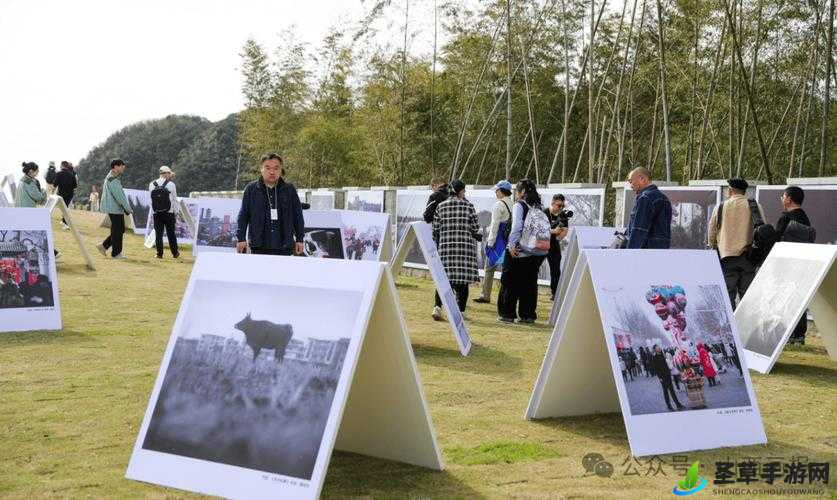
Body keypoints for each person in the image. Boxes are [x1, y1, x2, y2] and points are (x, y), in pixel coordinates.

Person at [497, 179, 548, 323]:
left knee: (509, 281)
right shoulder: (539, 206)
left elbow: (517, 226)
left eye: (517, 191)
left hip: (519, 250)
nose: (516, 194)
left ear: (522, 192)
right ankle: (528, 315)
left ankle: (507, 314)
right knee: (530, 284)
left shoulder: (520, 205)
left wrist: (511, 245)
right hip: (535, 251)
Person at [708, 178, 764, 307]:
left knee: (727, 296)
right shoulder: (755, 206)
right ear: (745, 191)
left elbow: (711, 231)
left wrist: (713, 246)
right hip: (749, 258)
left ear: (730, 190)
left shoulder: (721, 206)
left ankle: (732, 324)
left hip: (726, 258)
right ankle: (746, 324)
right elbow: (763, 230)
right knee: (747, 297)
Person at [430, 180, 481, 320]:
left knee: (444, 281)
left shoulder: (441, 206)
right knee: (462, 282)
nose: (464, 194)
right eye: (464, 191)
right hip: (464, 251)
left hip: (446, 250)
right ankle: (461, 312)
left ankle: (437, 308)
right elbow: (475, 228)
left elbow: (435, 230)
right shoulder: (469, 206)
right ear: (460, 191)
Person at [236, 153, 305, 256]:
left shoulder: (289, 190)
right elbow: (243, 215)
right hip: (258, 247)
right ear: (261, 169)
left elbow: (298, 216)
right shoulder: (251, 189)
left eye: (276, 168)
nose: (272, 172)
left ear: (281, 170)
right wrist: (241, 238)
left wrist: (300, 239)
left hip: (284, 247)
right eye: (267, 168)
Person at [776, 186, 814, 344]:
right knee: (798, 300)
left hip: (785, 266)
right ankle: (799, 335)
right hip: (801, 266)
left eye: (783, 196)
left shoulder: (786, 218)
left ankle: (787, 334)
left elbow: (776, 242)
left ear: (789, 199)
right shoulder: (805, 219)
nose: (782, 199)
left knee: (785, 300)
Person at [474, 180, 513, 304]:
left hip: (498, 241)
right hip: (509, 240)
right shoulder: (513, 204)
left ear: (501, 191)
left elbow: (494, 225)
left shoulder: (498, 205)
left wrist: (490, 243)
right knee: (507, 270)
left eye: (497, 190)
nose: (496, 192)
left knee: (489, 268)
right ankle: (507, 296)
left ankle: (485, 295)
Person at [625, 167, 672, 249]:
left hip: (645, 252)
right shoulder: (664, 198)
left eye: (631, 181)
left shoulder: (645, 198)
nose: (630, 186)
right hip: (662, 251)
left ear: (642, 179)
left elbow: (639, 229)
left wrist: (629, 253)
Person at [96, 159, 132, 259]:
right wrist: (127, 208)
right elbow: (119, 196)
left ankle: (103, 246)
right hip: (114, 208)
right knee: (118, 230)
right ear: (115, 167)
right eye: (121, 166)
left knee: (118, 230)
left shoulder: (112, 178)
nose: (123, 168)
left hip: (114, 208)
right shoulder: (113, 180)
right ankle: (116, 253)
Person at [148, 166, 180, 259]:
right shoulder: (171, 184)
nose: (170, 175)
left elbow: (152, 199)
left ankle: (159, 254)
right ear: (166, 173)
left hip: (156, 212)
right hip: (169, 212)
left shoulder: (151, 184)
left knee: (158, 234)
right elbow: (174, 200)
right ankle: (175, 253)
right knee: (171, 233)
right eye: (169, 173)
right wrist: (176, 212)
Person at [543, 194, 570, 300]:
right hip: (541, 244)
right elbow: (538, 230)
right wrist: (553, 231)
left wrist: (557, 234)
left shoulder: (563, 215)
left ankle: (555, 293)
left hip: (554, 244)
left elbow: (564, 232)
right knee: (534, 268)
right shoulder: (544, 213)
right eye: (559, 205)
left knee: (555, 269)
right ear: (552, 203)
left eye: (563, 206)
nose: (561, 208)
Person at [651, 344, 685, 411]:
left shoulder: (662, 355)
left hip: (667, 375)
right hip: (662, 377)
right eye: (657, 348)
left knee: (672, 390)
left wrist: (670, 373)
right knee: (666, 391)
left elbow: (666, 366)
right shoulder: (654, 357)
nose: (659, 348)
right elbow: (656, 368)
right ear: (655, 349)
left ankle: (678, 404)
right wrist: (660, 378)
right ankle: (669, 405)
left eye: (659, 347)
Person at [54, 161, 79, 229]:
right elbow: (75, 186)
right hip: (69, 195)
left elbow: (54, 184)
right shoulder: (72, 175)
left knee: (62, 209)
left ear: (62, 166)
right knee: (65, 208)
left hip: (61, 195)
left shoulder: (59, 173)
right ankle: (64, 221)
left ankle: (65, 223)